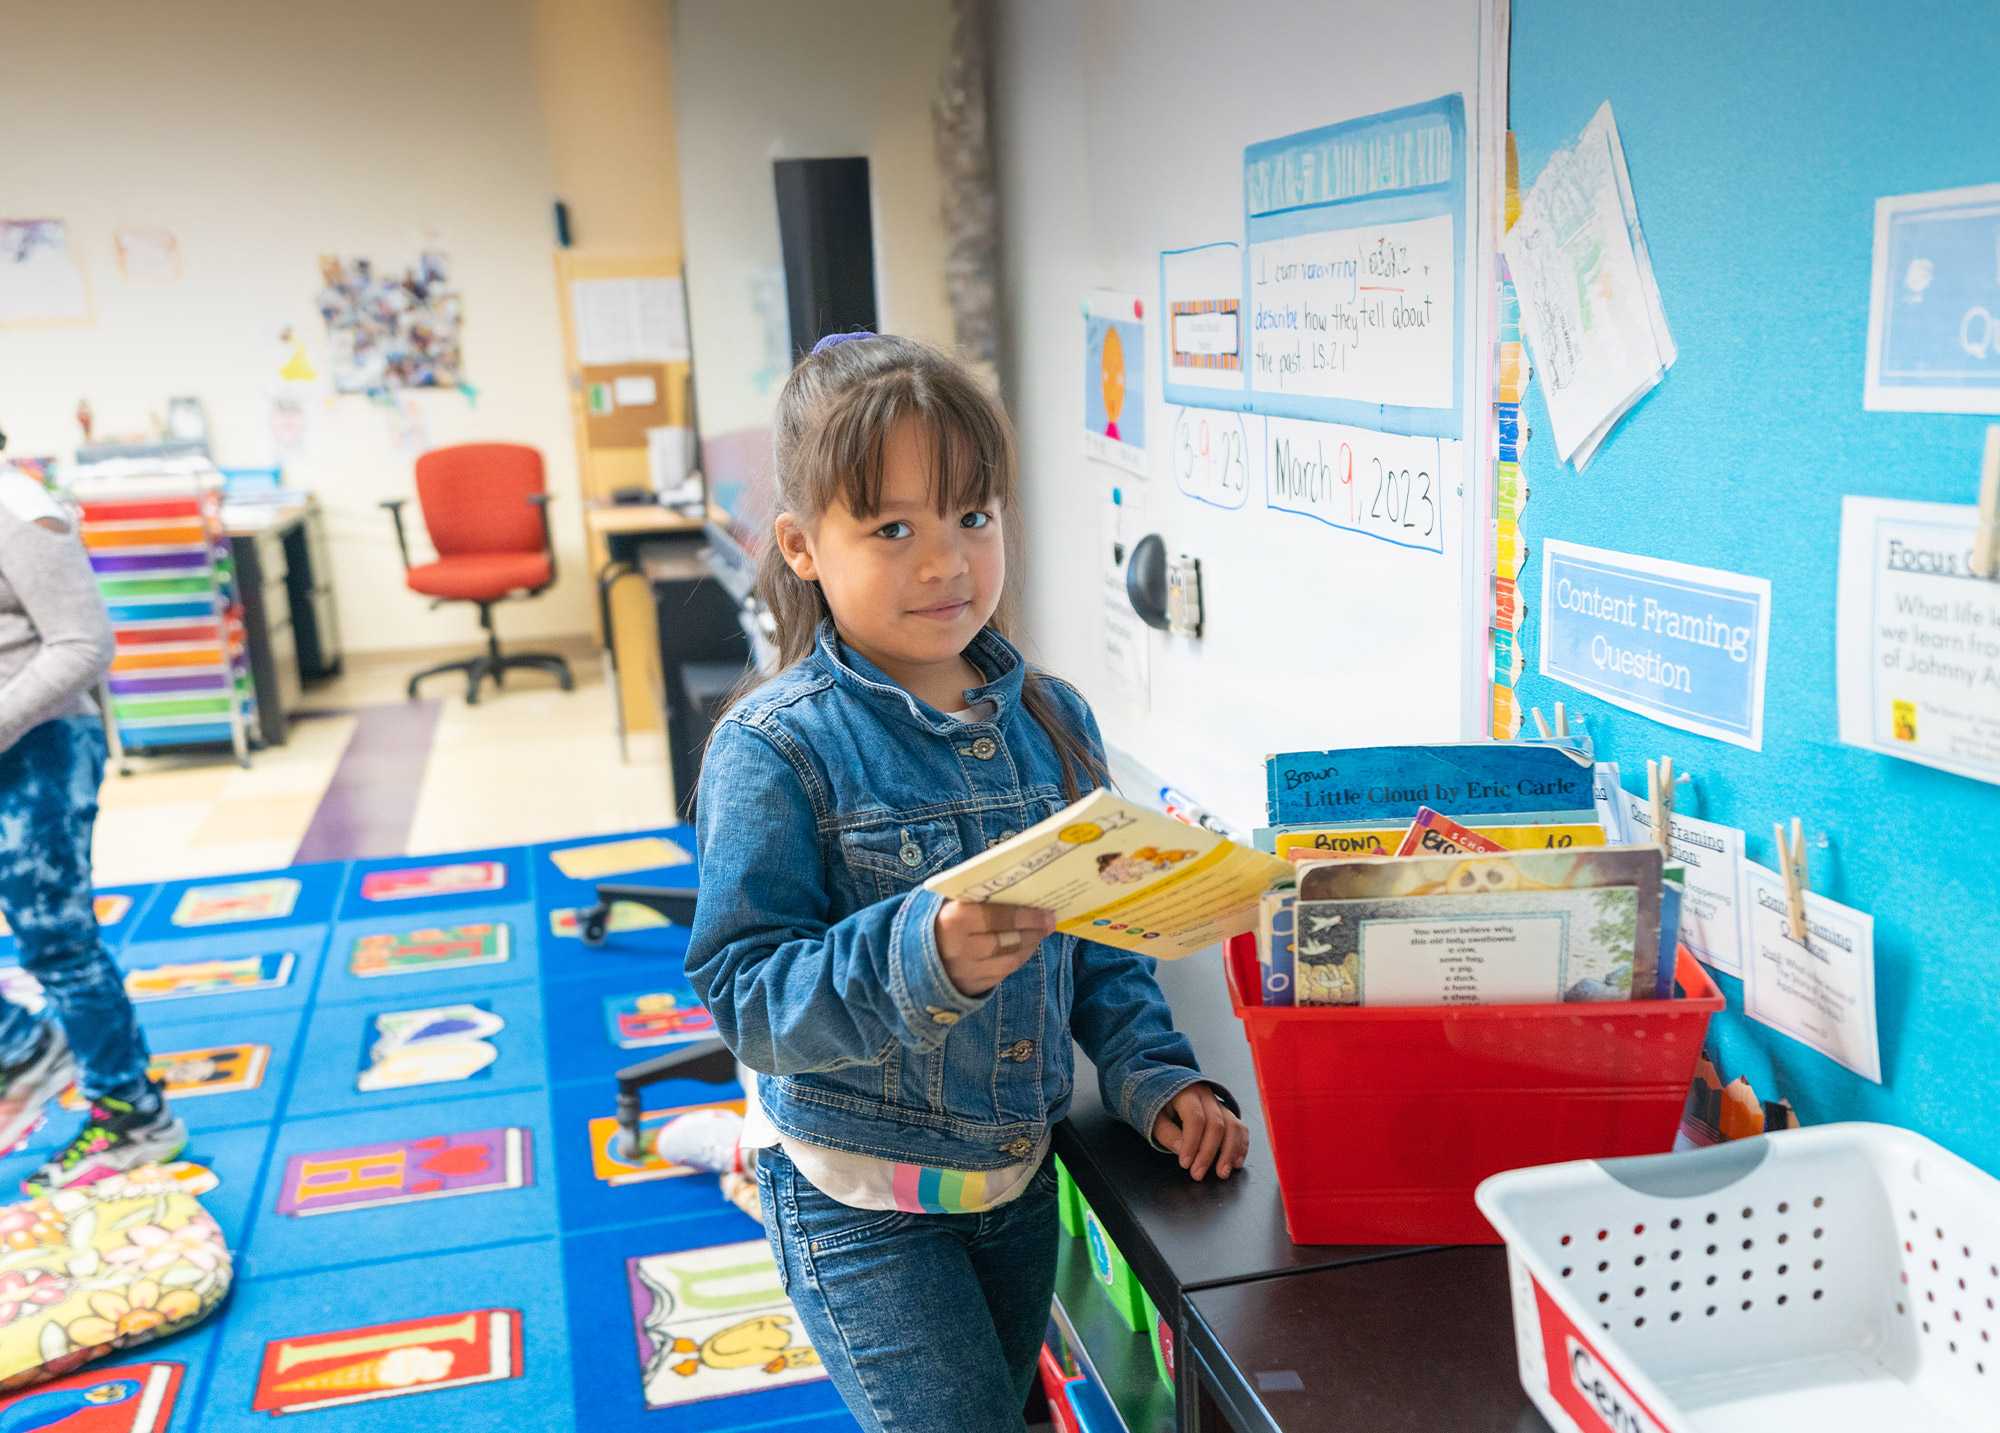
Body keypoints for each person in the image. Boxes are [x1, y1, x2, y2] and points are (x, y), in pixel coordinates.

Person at [685, 333, 1248, 1432]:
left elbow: (1101, 945)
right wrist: (919, 954)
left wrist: (1153, 1078)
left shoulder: (1054, 718)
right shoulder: (774, 746)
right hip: (857, 1196)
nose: (944, 562)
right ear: (802, 546)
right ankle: (732, 1148)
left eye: (971, 518)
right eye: (892, 528)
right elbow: (745, 994)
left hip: (1014, 1181)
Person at [0, 459, 185, 1191]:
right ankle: (23, 1048)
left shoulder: (16, 503)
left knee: (57, 940)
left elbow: (82, 643)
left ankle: (133, 1116)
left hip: (40, 749)